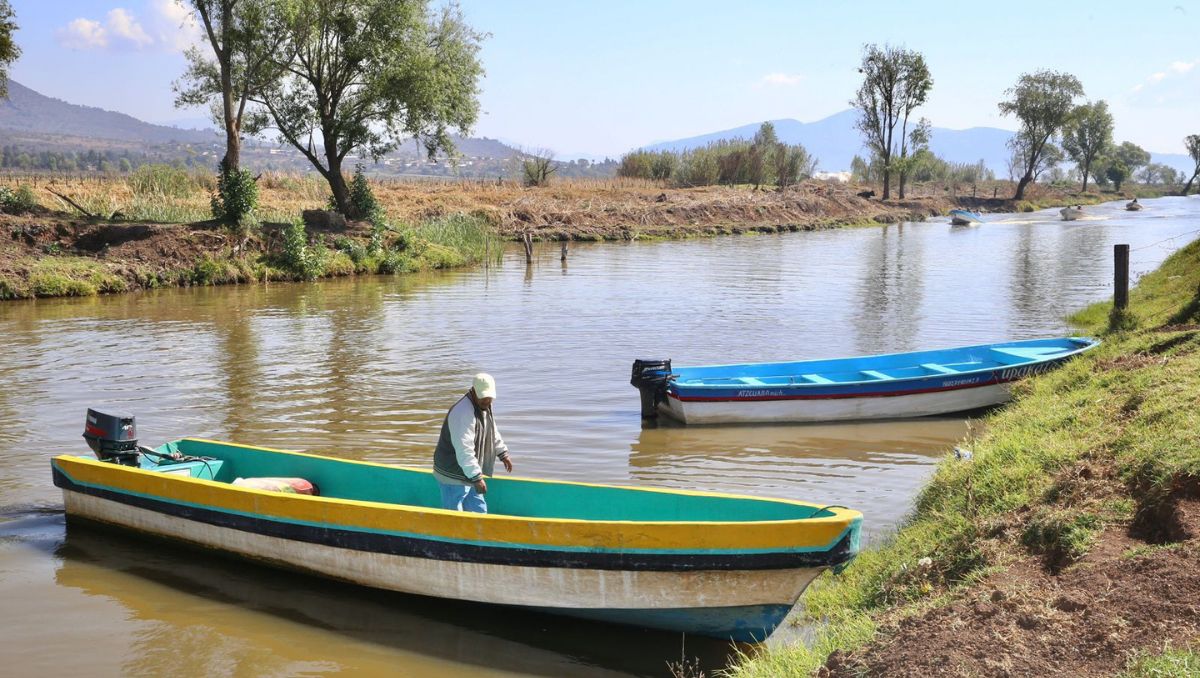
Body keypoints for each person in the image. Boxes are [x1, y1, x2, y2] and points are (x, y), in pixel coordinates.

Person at [432, 373, 513, 513]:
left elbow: (491, 431)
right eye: (483, 397)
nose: (487, 401)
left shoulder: (484, 406)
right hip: (453, 473)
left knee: (479, 510)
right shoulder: (463, 413)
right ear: (473, 391)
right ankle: (454, 534)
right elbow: (465, 450)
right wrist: (476, 478)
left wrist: (502, 453)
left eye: (490, 398)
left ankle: (479, 534)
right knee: (454, 514)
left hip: (468, 471)